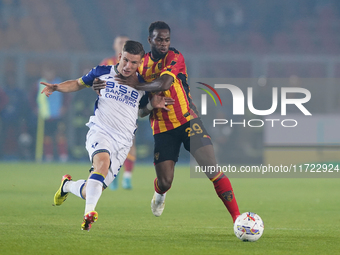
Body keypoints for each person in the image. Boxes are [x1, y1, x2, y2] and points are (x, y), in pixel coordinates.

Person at [93, 21, 241, 224]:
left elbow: (164, 83)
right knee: (165, 181)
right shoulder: (139, 66)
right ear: (150, 40)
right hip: (162, 128)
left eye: (167, 39)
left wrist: (139, 84)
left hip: (188, 120)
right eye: (159, 39)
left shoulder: (175, 56)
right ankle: (160, 193)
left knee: (212, 168)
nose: (163, 44)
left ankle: (237, 218)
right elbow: (140, 111)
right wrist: (150, 105)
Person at [41, 40, 174, 231]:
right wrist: (56, 87)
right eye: (126, 60)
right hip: (101, 130)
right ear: (120, 57)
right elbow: (78, 84)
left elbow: (141, 112)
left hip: (123, 142)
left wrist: (153, 105)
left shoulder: (142, 84)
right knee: (102, 165)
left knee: (90, 190)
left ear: (140, 63)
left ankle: (67, 186)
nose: (129, 66)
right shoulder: (101, 73)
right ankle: (88, 215)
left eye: (134, 63)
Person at [100, 35, 136, 190]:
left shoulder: (136, 64)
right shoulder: (106, 63)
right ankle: (112, 173)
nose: (122, 45)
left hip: (128, 110)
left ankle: (127, 177)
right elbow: (98, 83)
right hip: (109, 111)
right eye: (120, 42)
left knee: (130, 142)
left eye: (125, 43)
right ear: (114, 46)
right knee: (110, 144)